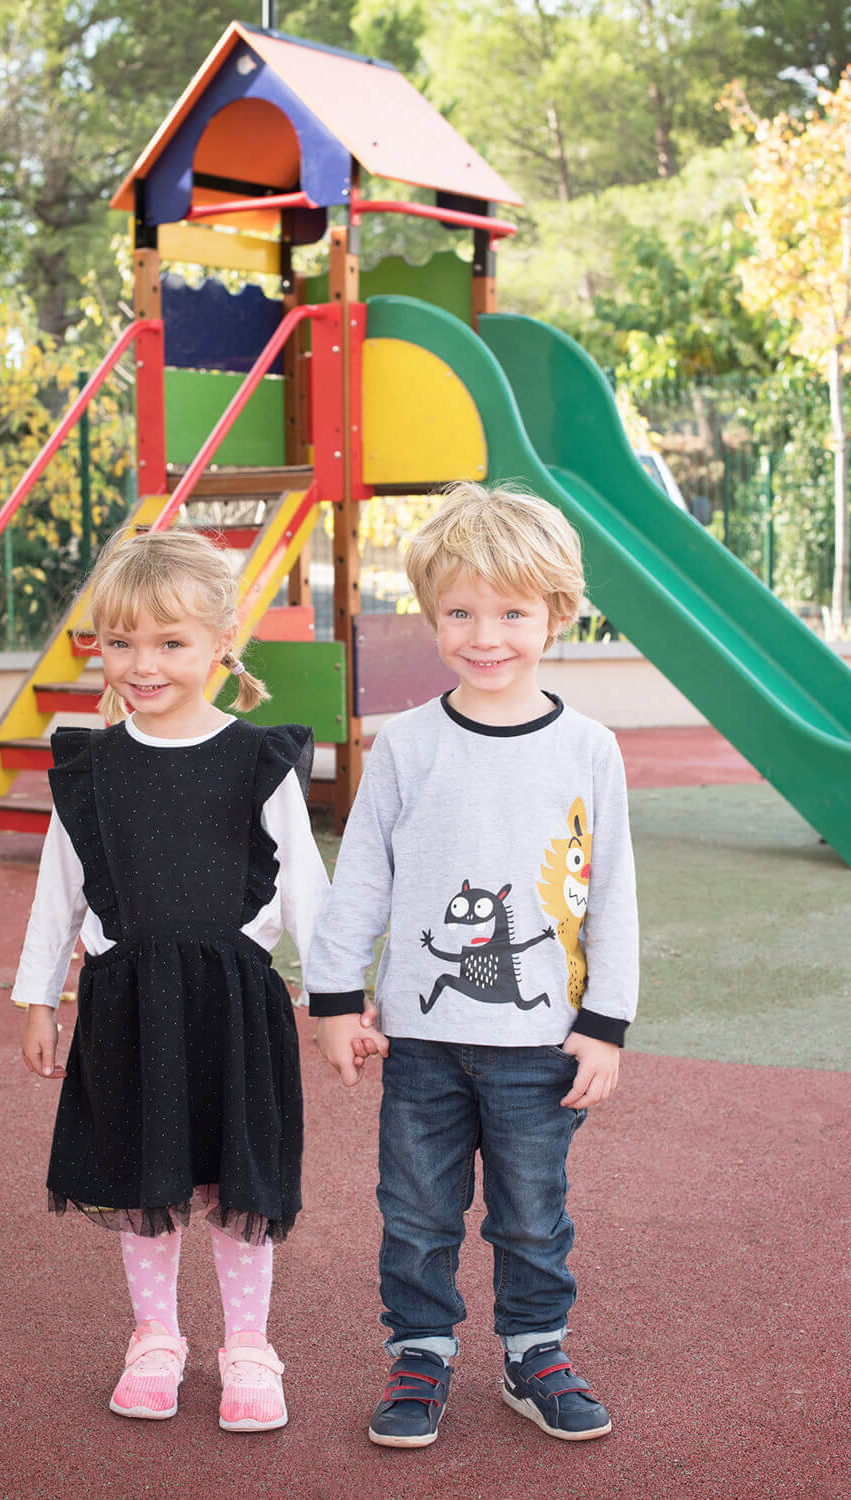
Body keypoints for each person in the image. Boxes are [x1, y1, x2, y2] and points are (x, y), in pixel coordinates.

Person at [306, 482, 638, 1448]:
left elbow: (610, 890)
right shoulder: (406, 746)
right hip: (419, 1045)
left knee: (533, 1216)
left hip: (542, 1044)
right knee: (415, 1214)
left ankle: (536, 1352)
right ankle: (420, 1353)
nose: (484, 635)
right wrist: (336, 1001)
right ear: (429, 614)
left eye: (512, 612)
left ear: (556, 614)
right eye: (459, 611)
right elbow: (360, 879)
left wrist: (605, 1024)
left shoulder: (589, 749)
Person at [13, 526, 330, 1433]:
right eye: (120, 643)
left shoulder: (259, 761)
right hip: (127, 1007)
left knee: (238, 1184)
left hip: (236, 1006)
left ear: (224, 640)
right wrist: (41, 998)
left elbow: (311, 894)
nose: (141, 664)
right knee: (145, 1179)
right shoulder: (94, 769)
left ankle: (249, 1348)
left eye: (169, 642)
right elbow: (58, 895)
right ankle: (155, 1336)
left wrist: (341, 999)